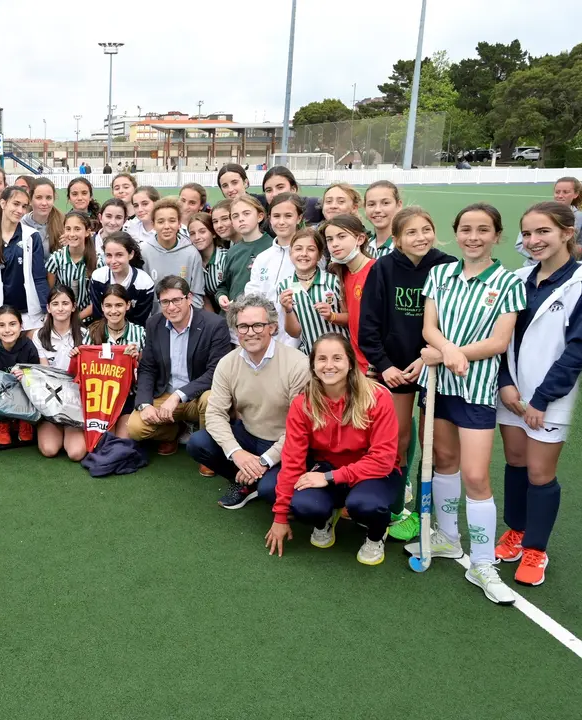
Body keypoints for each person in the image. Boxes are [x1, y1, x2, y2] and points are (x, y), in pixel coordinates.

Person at [410, 203, 526, 605]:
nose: (473, 237)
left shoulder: (509, 282)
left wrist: (448, 354)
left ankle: (482, 562)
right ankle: (447, 537)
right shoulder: (439, 274)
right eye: (466, 229)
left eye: (483, 230)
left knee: (476, 476)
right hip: (438, 386)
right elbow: (429, 327)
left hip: (475, 391)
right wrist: (446, 352)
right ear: (456, 233)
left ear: (497, 235)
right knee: (443, 461)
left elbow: (498, 342)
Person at [495, 202, 582, 586]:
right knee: (516, 461)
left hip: (549, 400)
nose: (533, 241)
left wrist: (541, 399)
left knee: (540, 472)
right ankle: (516, 532)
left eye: (543, 232)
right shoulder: (518, 278)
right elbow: (503, 339)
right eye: (528, 233)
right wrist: (505, 382)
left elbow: (578, 349)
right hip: (512, 394)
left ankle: (536, 548)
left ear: (567, 233)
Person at [358, 206, 455, 541]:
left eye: (426, 229)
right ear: (396, 240)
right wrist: (385, 366)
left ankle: (426, 514)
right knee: (397, 442)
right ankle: (396, 506)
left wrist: (432, 357)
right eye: (411, 233)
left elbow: (456, 323)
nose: (421, 237)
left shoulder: (447, 267)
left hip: (434, 367)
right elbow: (367, 326)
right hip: (394, 370)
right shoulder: (383, 268)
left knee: (435, 446)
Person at [264, 333, 400, 566]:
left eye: (337, 358)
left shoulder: (377, 397)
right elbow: (293, 460)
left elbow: (383, 460)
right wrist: (280, 516)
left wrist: (329, 478)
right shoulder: (303, 403)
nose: (329, 366)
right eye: (322, 359)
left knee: (365, 505)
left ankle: (376, 536)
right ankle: (325, 518)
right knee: (304, 504)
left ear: (350, 363)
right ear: (313, 365)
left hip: (373, 472)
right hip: (328, 468)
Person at [187, 293, 309, 506]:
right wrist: (237, 454)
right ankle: (243, 479)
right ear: (236, 330)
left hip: (285, 441)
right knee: (198, 443)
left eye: (258, 326)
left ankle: (255, 477)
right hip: (249, 435)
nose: (250, 333)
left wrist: (264, 461)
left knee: (270, 491)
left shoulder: (298, 364)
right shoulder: (227, 363)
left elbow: (301, 428)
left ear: (272, 327)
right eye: (243, 326)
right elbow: (215, 413)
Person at [125, 276, 231, 453]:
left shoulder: (215, 325)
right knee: (135, 428)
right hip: (165, 393)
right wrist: (144, 404)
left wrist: (178, 396)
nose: (171, 307)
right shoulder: (154, 324)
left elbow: (216, 372)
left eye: (176, 300)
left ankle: (208, 449)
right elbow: (147, 367)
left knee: (211, 398)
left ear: (189, 298)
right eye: (165, 302)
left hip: (197, 396)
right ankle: (174, 431)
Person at [32, 286, 90, 461]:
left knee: (76, 453)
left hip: (76, 403)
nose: (60, 308)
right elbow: (44, 374)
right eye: (55, 304)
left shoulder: (85, 335)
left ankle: (72, 429)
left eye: (65, 303)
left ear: (73, 306)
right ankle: (52, 428)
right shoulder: (39, 335)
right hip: (52, 402)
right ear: (48, 308)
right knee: (49, 450)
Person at [0, 185, 49, 332]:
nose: (20, 211)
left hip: (31, 315)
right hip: (3, 316)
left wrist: (46, 309)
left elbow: (39, 277)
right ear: (3, 204)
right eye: (16, 204)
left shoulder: (32, 236)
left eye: (24, 206)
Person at [87, 285, 147, 437]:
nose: (113, 311)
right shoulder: (92, 333)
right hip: (101, 400)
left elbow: (149, 370)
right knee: (103, 442)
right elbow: (85, 369)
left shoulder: (140, 333)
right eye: (108, 305)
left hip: (129, 398)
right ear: (102, 307)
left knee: (123, 442)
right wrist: (76, 354)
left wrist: (138, 359)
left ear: (128, 305)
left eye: (119, 305)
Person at [245, 192, 304, 346]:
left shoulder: (308, 256)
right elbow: (253, 295)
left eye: (288, 216)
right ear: (269, 219)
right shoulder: (263, 258)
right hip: (266, 340)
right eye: (276, 216)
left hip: (299, 343)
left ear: (299, 218)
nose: (282, 222)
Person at [321, 214, 375, 373]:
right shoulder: (342, 274)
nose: (334, 244)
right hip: (356, 364)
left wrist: (375, 364)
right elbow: (352, 317)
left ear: (360, 239)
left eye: (341, 236)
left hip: (376, 366)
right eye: (329, 239)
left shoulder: (376, 271)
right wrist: (332, 316)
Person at [279, 228, 345, 355]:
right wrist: (288, 310)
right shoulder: (285, 287)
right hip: (310, 354)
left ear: (320, 255)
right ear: (290, 253)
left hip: (341, 353)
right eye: (298, 249)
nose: (304, 253)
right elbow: (295, 333)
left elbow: (351, 318)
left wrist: (332, 316)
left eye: (311, 249)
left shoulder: (333, 281)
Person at [0, 305, 39, 445]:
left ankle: (25, 420)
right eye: (1, 325)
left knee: (29, 384)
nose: (7, 330)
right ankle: (2, 423)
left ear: (21, 326)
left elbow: (37, 374)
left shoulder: (29, 346)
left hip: (24, 395)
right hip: (2, 398)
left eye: (12, 324)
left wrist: (26, 373)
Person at [140, 197, 206, 309]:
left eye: (172, 221)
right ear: (153, 225)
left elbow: (197, 295)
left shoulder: (191, 253)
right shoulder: (143, 252)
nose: (166, 226)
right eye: (160, 222)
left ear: (179, 223)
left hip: (183, 321)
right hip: (153, 321)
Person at [216, 195, 273, 311]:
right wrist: (221, 297)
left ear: (260, 216)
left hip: (262, 316)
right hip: (234, 317)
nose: (241, 219)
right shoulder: (233, 251)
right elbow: (224, 286)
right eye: (235, 216)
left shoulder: (272, 247)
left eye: (246, 214)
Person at [89, 231, 154, 325]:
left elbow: (140, 320)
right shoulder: (98, 277)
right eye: (109, 255)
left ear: (131, 254)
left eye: (119, 255)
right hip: (103, 331)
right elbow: (98, 315)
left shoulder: (144, 283)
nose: (113, 261)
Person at [47, 211, 99, 319]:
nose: (72, 234)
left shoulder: (98, 261)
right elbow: (50, 293)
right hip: (61, 317)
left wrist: (77, 319)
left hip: (88, 320)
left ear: (87, 232)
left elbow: (99, 299)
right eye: (68, 229)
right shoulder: (56, 259)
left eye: (77, 229)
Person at [24, 178, 64, 261]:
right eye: (39, 197)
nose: (44, 203)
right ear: (30, 200)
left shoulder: (63, 224)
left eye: (48, 198)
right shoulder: (21, 224)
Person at [364, 180, 402, 259]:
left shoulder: (408, 247)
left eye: (385, 203)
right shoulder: (362, 247)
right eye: (371, 204)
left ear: (399, 205)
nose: (377, 210)